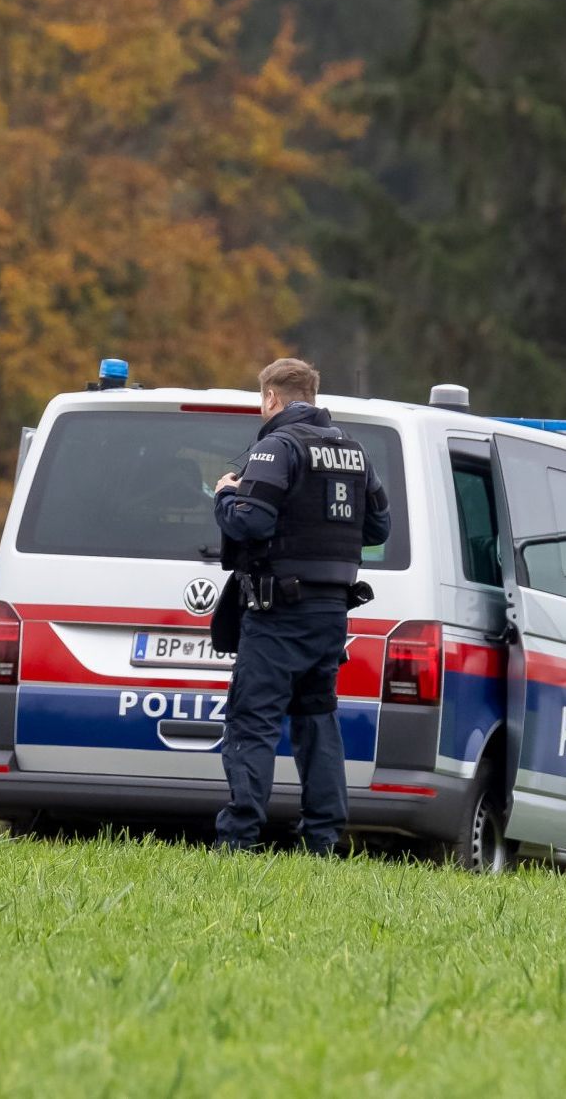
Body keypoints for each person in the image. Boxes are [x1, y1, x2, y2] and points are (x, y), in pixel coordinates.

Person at [212, 357, 391, 856]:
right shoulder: (354, 451)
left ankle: (238, 838)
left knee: (253, 719)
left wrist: (224, 496)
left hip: (278, 612)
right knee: (316, 717)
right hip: (330, 613)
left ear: (271, 397)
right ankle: (324, 839)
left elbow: (250, 522)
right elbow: (378, 528)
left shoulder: (278, 446)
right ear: (311, 395)